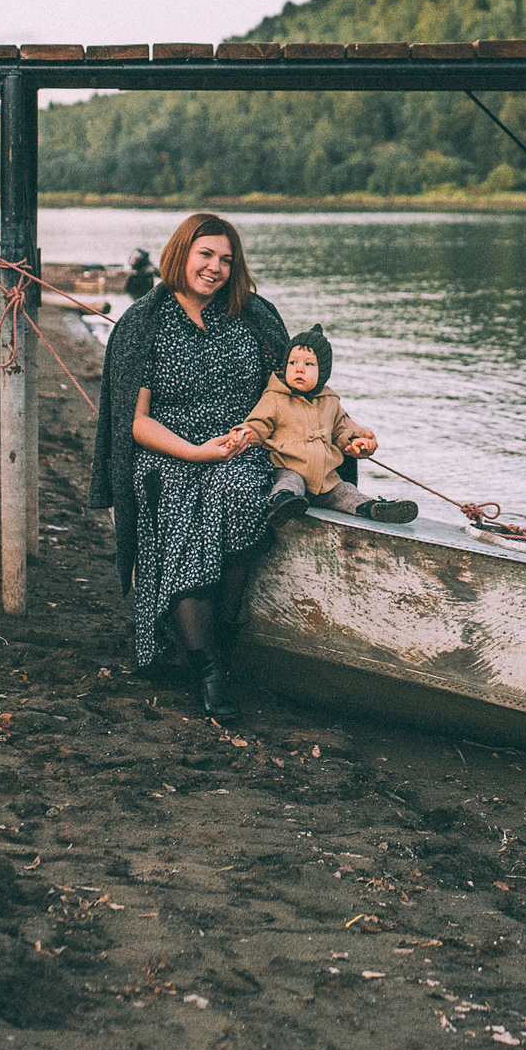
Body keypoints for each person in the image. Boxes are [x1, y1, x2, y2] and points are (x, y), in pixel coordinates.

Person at [89, 212, 287, 721]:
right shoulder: (145, 323)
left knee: (241, 492)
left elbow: (289, 391)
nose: (216, 267)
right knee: (176, 493)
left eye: (226, 259)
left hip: (241, 443)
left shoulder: (254, 315)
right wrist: (195, 451)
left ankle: (217, 639)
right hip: (166, 446)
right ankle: (207, 667)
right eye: (206, 255)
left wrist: (338, 433)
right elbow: (133, 421)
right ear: (181, 254)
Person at [229, 328, 418, 525]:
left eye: (308, 364)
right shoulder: (275, 397)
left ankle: (374, 508)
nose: (299, 369)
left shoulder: (329, 401)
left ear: (323, 372)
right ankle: (283, 505)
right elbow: (259, 424)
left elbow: (341, 429)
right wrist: (245, 433)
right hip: (289, 466)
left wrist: (356, 441)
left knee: (345, 492)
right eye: (293, 363)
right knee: (289, 484)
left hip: (325, 478)